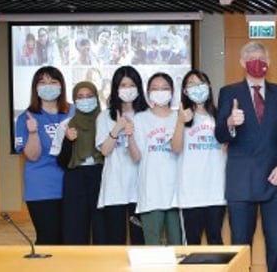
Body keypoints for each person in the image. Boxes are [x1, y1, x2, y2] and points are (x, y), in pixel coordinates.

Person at [214, 41, 277, 271]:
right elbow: (219, 135)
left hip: (274, 179)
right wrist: (229, 122)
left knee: (276, 243)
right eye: (250, 58)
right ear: (241, 62)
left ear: (268, 62)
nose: (256, 62)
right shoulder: (229, 93)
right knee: (240, 244)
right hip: (241, 181)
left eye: (260, 57)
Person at [14, 66, 71, 245]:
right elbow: (31, 156)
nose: (48, 86)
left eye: (53, 82)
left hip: (71, 186)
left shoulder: (72, 112)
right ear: (35, 88)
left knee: (70, 240)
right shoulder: (27, 117)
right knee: (49, 239)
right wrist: (32, 133)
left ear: (61, 86)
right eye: (43, 82)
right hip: (42, 188)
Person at [172, 70, 226, 245]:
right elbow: (176, 148)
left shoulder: (219, 116)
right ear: (185, 91)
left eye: (200, 83)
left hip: (216, 191)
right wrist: (181, 122)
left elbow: (226, 148)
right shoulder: (180, 117)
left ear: (208, 87)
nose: (197, 88)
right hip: (190, 194)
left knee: (216, 242)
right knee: (192, 246)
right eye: (192, 85)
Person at [96, 66, 147, 245]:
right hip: (114, 187)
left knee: (139, 241)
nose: (127, 89)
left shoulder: (146, 115)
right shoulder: (104, 117)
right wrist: (117, 128)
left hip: (140, 187)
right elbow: (105, 151)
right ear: (116, 89)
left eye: (131, 85)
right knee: (115, 240)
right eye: (123, 85)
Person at [52, 81, 105, 244]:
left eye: (89, 96)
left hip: (101, 176)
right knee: (75, 228)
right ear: (74, 100)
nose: (85, 100)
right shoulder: (66, 125)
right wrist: (68, 141)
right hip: (75, 178)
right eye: (80, 97)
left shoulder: (104, 122)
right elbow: (61, 162)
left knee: (102, 228)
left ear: (97, 98)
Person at [133, 72, 182, 245]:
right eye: (155, 88)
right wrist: (129, 136)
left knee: (178, 248)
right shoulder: (140, 119)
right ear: (147, 92)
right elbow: (135, 156)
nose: (160, 92)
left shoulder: (180, 117)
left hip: (177, 193)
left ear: (172, 91)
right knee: (152, 247)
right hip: (151, 192)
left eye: (165, 88)